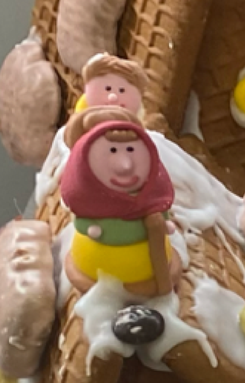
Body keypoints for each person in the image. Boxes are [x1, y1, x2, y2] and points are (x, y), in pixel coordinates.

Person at [58, 113, 175, 299]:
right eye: (112, 151)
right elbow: (82, 221)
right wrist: (90, 228)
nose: (125, 165)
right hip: (97, 266)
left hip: (155, 267)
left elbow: (160, 208)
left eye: (130, 150)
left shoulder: (152, 196)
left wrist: (164, 222)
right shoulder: (91, 203)